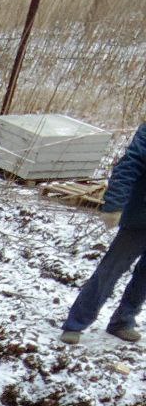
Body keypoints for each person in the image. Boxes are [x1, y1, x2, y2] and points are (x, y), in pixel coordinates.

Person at [61, 122, 146, 345]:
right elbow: (128, 166)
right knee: (110, 271)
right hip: (141, 218)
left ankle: (123, 321)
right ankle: (76, 323)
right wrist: (115, 205)